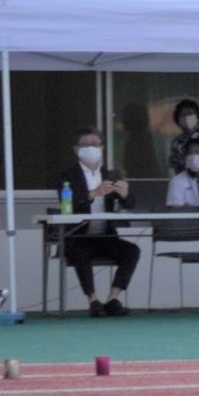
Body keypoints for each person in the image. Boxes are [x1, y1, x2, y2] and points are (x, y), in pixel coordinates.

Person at [59, 129, 140, 316]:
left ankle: (113, 299)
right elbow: (66, 202)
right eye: (85, 144)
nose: (91, 148)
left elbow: (130, 203)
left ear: (102, 148)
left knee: (132, 251)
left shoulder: (111, 174)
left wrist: (125, 193)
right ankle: (93, 300)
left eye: (95, 144)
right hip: (78, 236)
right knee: (81, 251)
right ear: (75, 149)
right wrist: (93, 194)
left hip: (105, 236)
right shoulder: (67, 175)